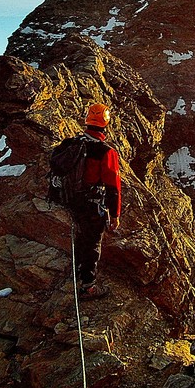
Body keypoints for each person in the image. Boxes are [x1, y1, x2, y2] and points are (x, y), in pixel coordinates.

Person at [71, 103, 121, 299]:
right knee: (92, 243)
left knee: (81, 237)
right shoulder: (106, 152)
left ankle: (77, 272)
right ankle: (88, 286)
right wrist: (115, 214)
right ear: (106, 123)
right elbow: (113, 187)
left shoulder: (74, 143)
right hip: (91, 204)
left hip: (72, 199)